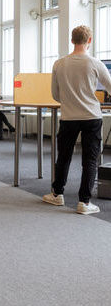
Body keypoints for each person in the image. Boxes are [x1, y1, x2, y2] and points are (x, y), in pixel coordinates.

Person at [43, 25, 111, 215]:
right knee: (90, 160)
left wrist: (71, 100)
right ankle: (84, 202)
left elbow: (55, 94)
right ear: (89, 41)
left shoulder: (59, 64)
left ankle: (57, 194)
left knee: (63, 157)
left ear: (72, 40)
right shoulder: (96, 64)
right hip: (92, 116)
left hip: (69, 117)